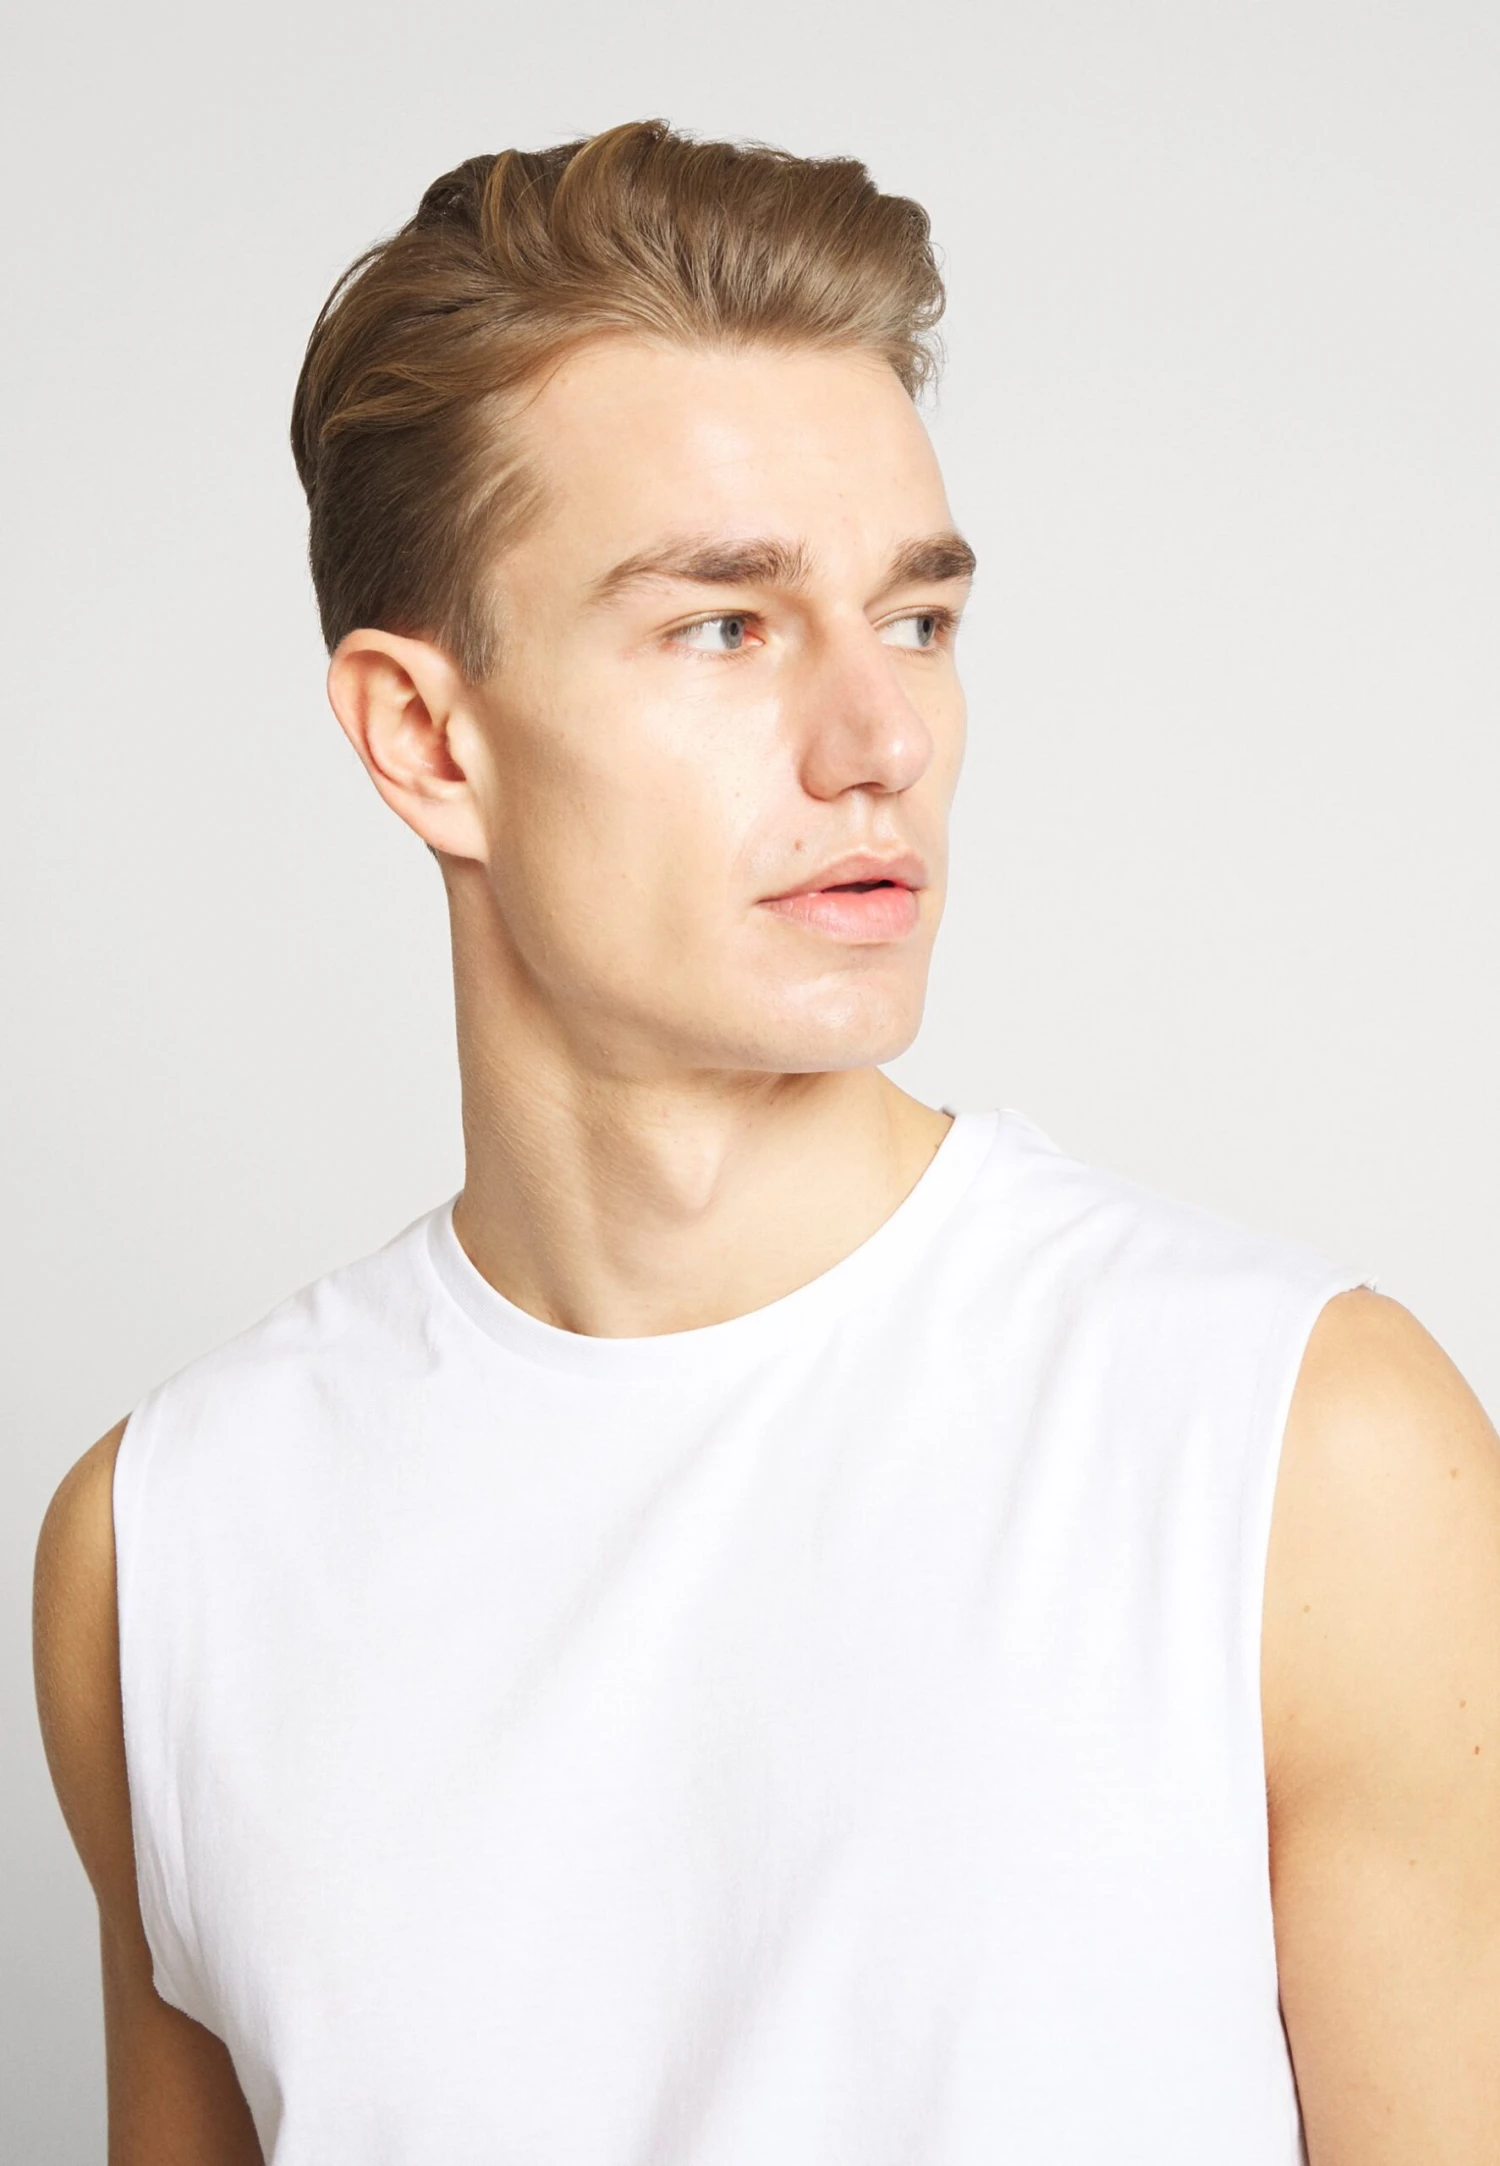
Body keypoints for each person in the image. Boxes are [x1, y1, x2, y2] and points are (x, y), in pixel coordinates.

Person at [32, 120, 1499, 2166]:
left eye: (918, 619)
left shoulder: (1298, 1453)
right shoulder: (166, 1548)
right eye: (726, 626)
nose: (880, 741)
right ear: (426, 738)